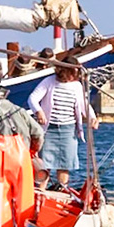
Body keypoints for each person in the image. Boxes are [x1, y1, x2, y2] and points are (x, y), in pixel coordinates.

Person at [26, 58, 96, 189]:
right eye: (72, 73)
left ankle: (62, 189)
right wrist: (39, 112)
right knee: (44, 164)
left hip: (68, 130)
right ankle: (41, 192)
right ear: (64, 71)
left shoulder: (76, 86)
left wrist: (92, 117)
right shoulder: (49, 82)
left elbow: (84, 104)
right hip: (49, 129)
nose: (74, 76)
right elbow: (33, 99)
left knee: (65, 164)